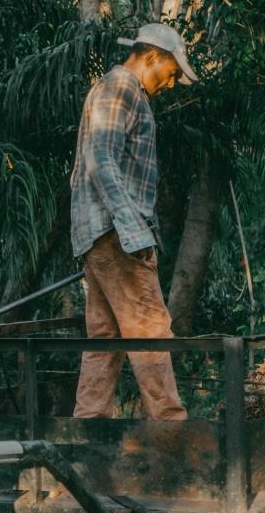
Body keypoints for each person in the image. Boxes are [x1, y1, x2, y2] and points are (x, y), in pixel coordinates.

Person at [69, 21, 196, 421]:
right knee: (151, 330)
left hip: (100, 235)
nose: (172, 83)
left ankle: (86, 439)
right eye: (172, 73)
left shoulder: (116, 89)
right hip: (116, 235)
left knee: (104, 340)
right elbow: (101, 158)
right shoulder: (122, 87)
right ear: (151, 57)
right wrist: (133, 228)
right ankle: (174, 435)